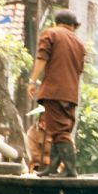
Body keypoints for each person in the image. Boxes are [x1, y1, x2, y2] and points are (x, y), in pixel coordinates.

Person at [27, 9, 86, 177]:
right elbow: (79, 70)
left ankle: (70, 169)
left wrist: (32, 81)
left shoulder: (51, 33)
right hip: (71, 94)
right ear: (73, 26)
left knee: (60, 132)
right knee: (57, 129)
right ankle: (52, 167)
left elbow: (42, 58)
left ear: (57, 22)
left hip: (54, 91)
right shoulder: (79, 43)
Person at [25, 106, 53, 172]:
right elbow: (34, 156)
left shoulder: (57, 130)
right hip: (38, 166)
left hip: (57, 166)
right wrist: (51, 161)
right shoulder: (32, 132)